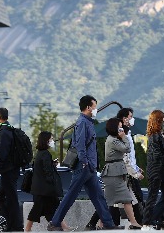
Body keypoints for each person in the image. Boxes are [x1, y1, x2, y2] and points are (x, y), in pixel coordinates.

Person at [47, 96, 120, 231]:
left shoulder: (88, 122)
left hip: (90, 167)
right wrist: (85, 162)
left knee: (98, 196)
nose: (95, 109)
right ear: (88, 107)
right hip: (84, 166)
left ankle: (108, 224)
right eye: (94, 106)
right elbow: (80, 144)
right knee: (71, 195)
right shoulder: (82, 122)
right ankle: (55, 222)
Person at [101, 118, 141, 229]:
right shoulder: (113, 140)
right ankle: (133, 222)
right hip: (113, 173)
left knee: (121, 199)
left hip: (115, 172)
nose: (121, 128)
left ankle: (133, 222)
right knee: (117, 199)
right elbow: (127, 148)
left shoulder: (112, 139)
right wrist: (124, 137)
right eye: (119, 126)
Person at [26, 131, 68, 231]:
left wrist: (52, 164)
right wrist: (53, 180)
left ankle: (64, 227)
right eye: (51, 139)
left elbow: (43, 168)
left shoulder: (40, 154)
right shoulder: (45, 154)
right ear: (46, 141)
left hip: (42, 189)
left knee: (55, 208)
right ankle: (27, 230)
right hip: (44, 190)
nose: (53, 141)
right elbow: (47, 172)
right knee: (36, 211)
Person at [0, 107, 22, 232]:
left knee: (12, 198)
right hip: (11, 169)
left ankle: (16, 226)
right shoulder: (10, 129)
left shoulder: (4, 131)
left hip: (8, 170)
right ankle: (10, 222)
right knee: (0, 195)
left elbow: (2, 153)